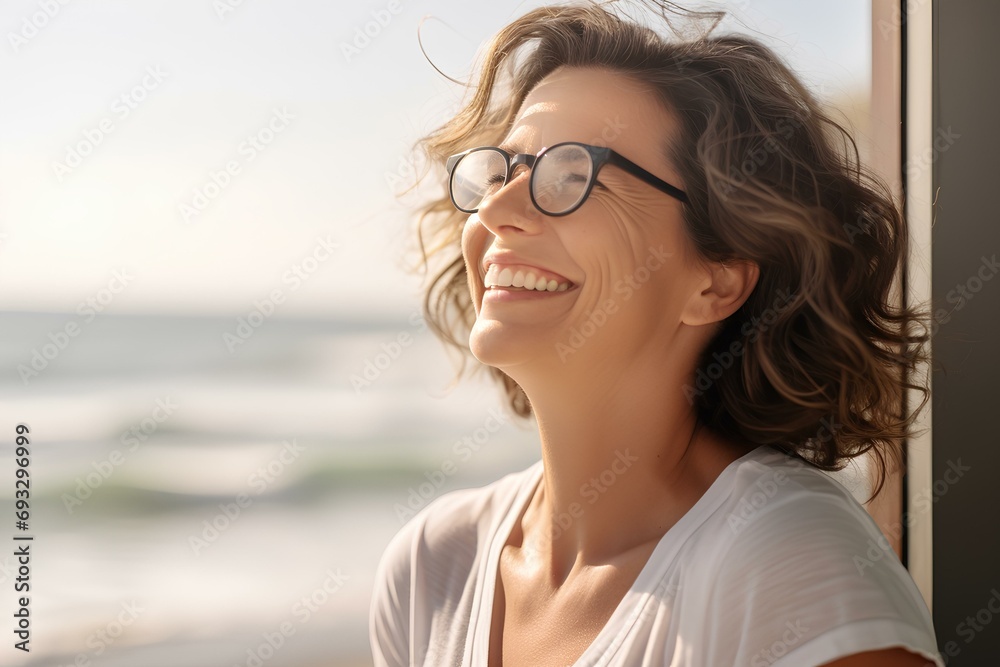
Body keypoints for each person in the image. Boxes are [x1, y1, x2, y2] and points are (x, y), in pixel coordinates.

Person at [371, 2, 943, 665]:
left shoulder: (792, 570)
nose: (496, 209)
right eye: (501, 169)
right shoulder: (433, 567)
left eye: (571, 174)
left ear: (715, 280)